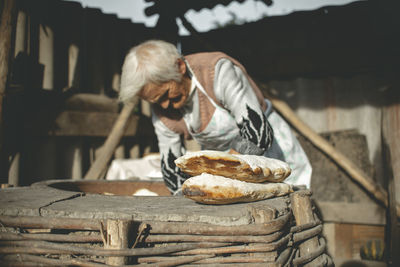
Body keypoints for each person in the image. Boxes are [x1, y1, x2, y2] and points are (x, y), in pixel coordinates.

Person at [119, 40, 312, 195]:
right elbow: (170, 162)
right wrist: (183, 196)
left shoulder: (217, 71)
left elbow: (257, 132)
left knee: (290, 203)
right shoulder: (161, 107)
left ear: (179, 67)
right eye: (154, 101)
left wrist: (227, 169)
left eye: (165, 95)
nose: (163, 106)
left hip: (272, 150)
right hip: (224, 164)